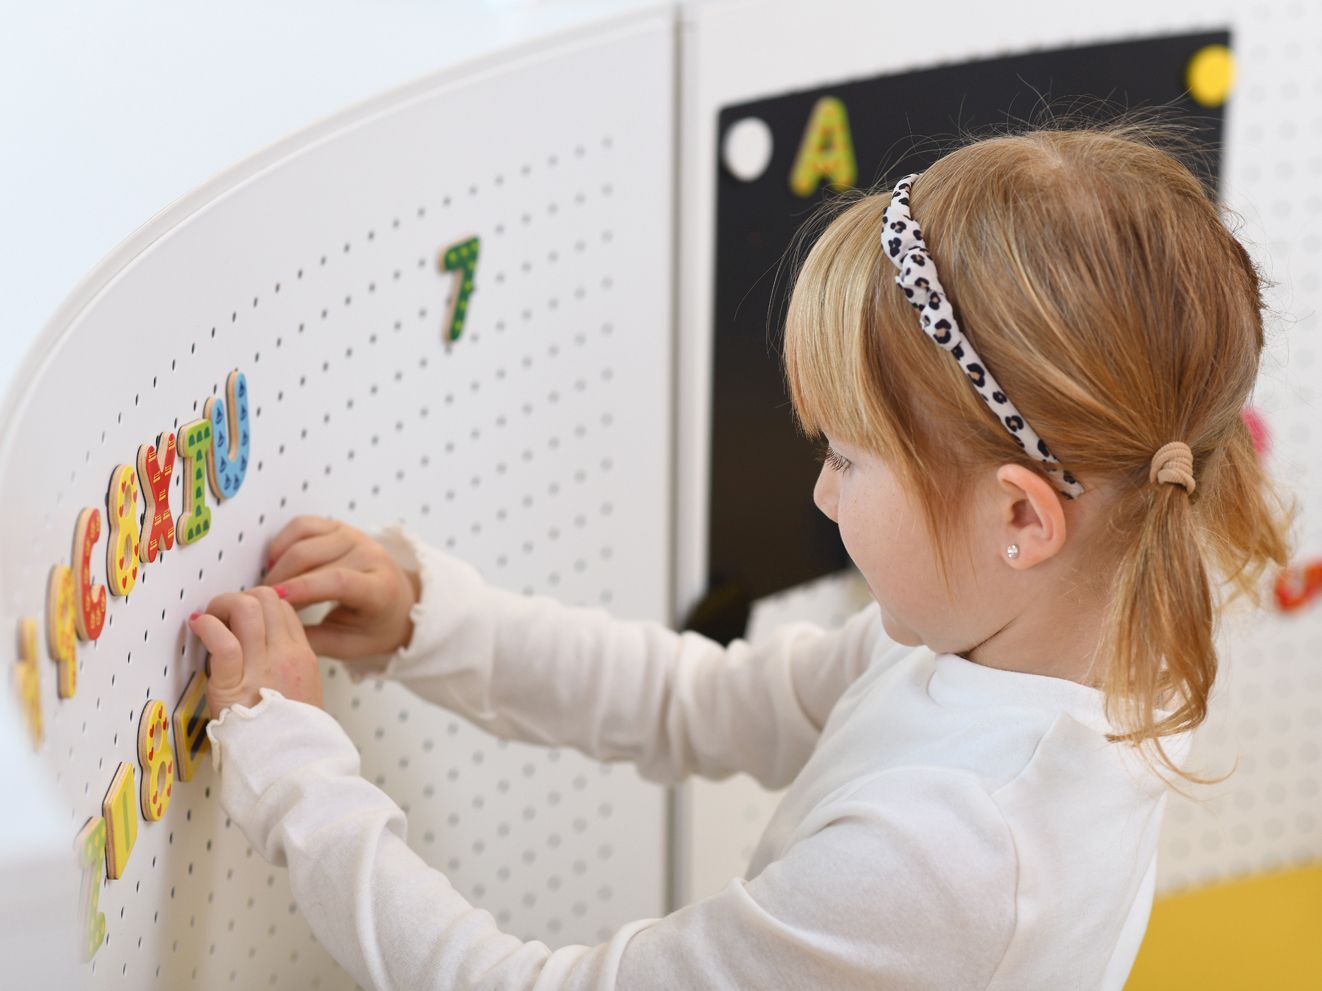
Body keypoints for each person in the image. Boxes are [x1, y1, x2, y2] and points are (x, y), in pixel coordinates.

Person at [188, 115, 1291, 990]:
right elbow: (697, 700)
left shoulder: (950, 856)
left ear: (1018, 520)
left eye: (846, 460)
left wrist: (300, 782)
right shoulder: (1050, 635)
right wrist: (433, 618)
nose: (820, 489)